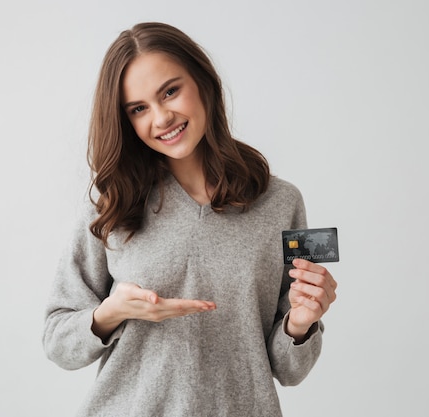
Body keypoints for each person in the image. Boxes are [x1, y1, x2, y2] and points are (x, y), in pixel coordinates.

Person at [43, 21, 338, 417]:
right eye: (138, 108)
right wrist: (112, 311)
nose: (162, 117)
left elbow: (289, 369)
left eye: (170, 91)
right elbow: (58, 341)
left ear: (203, 82)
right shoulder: (113, 203)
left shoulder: (281, 203)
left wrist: (300, 324)